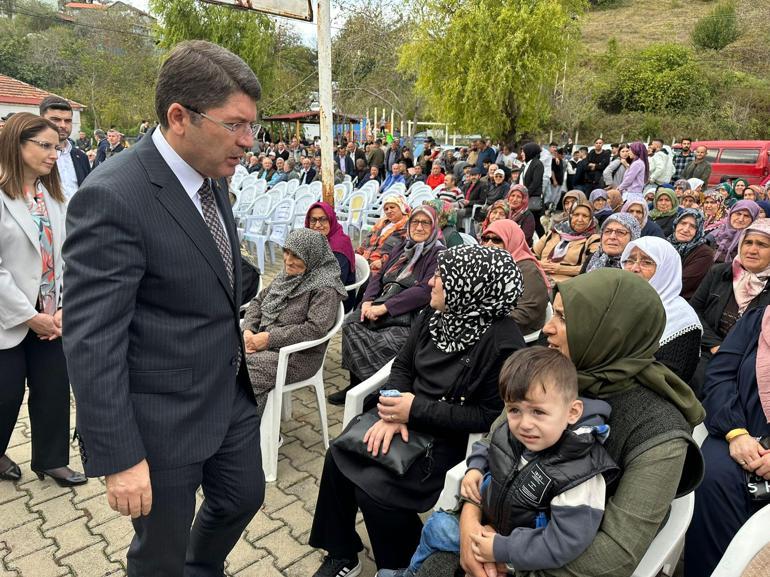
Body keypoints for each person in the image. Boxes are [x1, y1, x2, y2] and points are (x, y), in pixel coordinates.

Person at [62, 41, 266, 575]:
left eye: (253, 126)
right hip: (162, 419)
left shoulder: (212, 174)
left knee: (244, 497)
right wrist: (121, 458)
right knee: (160, 554)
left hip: (229, 394)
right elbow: (92, 339)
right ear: (180, 116)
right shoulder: (114, 195)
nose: (248, 142)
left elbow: (208, 263)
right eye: (235, 125)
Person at [420, 269, 704, 577]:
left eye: (565, 319)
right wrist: (469, 521)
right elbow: (495, 443)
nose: (548, 328)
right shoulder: (550, 374)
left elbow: (616, 554)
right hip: (493, 533)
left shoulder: (658, 431)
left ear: (611, 331)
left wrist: (506, 560)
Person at [309, 245, 526, 576]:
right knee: (338, 456)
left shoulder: (503, 344)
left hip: (445, 437)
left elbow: (486, 416)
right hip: (404, 415)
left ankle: (400, 566)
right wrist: (394, 406)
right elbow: (403, 365)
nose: (432, 282)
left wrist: (414, 411)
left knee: (376, 491)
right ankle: (343, 553)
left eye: (443, 276)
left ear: (468, 287)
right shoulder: (434, 314)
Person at [378, 347, 618, 577]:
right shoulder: (514, 433)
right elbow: (488, 445)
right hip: (490, 526)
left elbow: (565, 542)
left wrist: (502, 549)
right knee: (438, 525)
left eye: (538, 412)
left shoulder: (580, 474)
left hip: (521, 556)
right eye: (514, 410)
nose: (524, 424)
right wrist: (474, 468)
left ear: (572, 412)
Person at [0, 113, 86, 486]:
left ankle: (51, 460)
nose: (55, 154)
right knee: (6, 393)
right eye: (45, 146)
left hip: (52, 314)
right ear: (18, 145)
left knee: (53, 387)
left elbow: (68, 257)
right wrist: (28, 315)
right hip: (10, 315)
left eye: (57, 146)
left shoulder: (52, 197)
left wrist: (63, 308)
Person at [684, 306, 770, 577]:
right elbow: (721, 374)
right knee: (712, 477)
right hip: (741, 429)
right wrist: (736, 432)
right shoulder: (759, 320)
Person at [330, 206, 445, 406]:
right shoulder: (402, 246)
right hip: (383, 301)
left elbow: (424, 291)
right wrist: (367, 301)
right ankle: (357, 384)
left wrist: (385, 308)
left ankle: (377, 391)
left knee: (390, 339)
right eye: (415, 222)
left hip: (410, 312)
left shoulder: (437, 252)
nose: (419, 227)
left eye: (425, 222)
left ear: (434, 226)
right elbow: (379, 276)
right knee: (353, 322)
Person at [242, 229, 347, 417]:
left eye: (296, 256)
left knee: (243, 370)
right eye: (286, 252)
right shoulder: (287, 275)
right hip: (264, 342)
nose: (288, 260)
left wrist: (269, 339)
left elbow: (315, 329)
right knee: (221, 355)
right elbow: (258, 301)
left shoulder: (325, 288)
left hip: (298, 356)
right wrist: (248, 330)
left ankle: (246, 431)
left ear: (312, 256)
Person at [690, 219, 770, 397]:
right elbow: (694, 310)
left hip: (749, 362)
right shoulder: (720, 273)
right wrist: (715, 345)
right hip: (708, 350)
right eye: (748, 242)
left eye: (762, 244)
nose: (752, 250)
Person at [621, 237, 702, 383]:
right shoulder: (618, 300)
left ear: (666, 269)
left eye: (647, 262)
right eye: (630, 260)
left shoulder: (681, 319)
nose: (634, 268)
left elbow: (670, 381)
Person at [480, 219, 549, 334]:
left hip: (516, 331)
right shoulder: (489, 265)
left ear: (512, 241)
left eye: (497, 240)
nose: (489, 244)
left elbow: (527, 311)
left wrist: (485, 324)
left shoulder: (527, 270)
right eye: (486, 238)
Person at [533, 202, 600, 287]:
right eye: (576, 215)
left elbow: (591, 267)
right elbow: (532, 253)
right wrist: (539, 264)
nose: (580, 219)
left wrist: (560, 269)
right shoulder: (554, 232)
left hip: (567, 285)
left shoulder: (593, 239)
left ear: (591, 219)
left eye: (585, 216)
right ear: (570, 216)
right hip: (540, 277)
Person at [39, 96, 91, 200]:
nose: (63, 125)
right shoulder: (33, 156)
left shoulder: (81, 157)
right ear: (41, 120)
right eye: (56, 120)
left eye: (67, 121)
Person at [305, 202, 356, 294]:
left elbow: (333, 283)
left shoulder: (339, 246)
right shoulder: (312, 240)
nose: (317, 225)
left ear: (331, 220)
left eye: (323, 219)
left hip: (336, 298)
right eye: (313, 220)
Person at [356, 193, 410, 275]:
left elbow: (401, 253)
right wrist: (356, 255)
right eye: (386, 209)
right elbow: (365, 243)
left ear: (401, 208)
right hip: (365, 260)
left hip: (381, 267)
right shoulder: (381, 223)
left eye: (392, 207)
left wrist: (382, 261)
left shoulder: (406, 228)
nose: (389, 211)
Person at [668, 208, 715, 300]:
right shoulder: (666, 243)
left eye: (692, 226)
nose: (685, 229)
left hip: (681, 300)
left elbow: (682, 283)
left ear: (698, 230)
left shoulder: (704, 253)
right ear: (676, 224)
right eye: (683, 223)